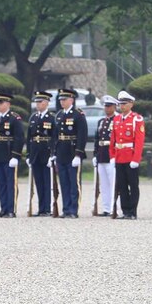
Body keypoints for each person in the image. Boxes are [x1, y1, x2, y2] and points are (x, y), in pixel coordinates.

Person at [51, 88, 87, 218]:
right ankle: (66, 208)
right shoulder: (59, 115)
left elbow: (82, 135)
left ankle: (73, 209)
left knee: (73, 183)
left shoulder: (78, 114)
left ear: (71, 100)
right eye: (60, 99)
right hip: (61, 152)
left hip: (72, 151)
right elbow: (55, 136)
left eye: (64, 99)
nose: (62, 102)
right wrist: (53, 153)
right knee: (64, 183)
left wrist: (78, 154)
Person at [0, 93, 25, 217]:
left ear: (8, 104)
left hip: (9, 154)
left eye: (2, 103)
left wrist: (15, 155)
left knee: (10, 183)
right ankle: (3, 208)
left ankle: (11, 209)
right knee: (1, 183)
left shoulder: (14, 118)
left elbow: (19, 138)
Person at [111, 90, 145, 219]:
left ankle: (132, 210)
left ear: (131, 104)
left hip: (130, 156)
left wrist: (136, 159)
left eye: (125, 103)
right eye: (120, 103)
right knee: (122, 185)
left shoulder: (136, 119)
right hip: (120, 156)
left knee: (133, 185)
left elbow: (139, 141)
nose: (122, 106)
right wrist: (113, 156)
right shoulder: (117, 119)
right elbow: (113, 140)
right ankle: (125, 210)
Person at [27, 91, 56, 215]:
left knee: (47, 181)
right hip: (35, 153)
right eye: (36, 102)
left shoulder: (52, 118)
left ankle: (48, 208)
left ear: (47, 103)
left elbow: (54, 137)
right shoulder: (33, 117)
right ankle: (41, 208)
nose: (38, 104)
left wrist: (53, 154)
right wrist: (28, 154)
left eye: (40, 102)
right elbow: (29, 137)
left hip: (46, 152)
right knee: (38, 182)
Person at [92, 95, 118, 216]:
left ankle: (115, 207)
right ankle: (106, 208)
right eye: (105, 106)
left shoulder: (117, 120)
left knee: (114, 183)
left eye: (109, 106)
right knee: (104, 185)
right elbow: (97, 140)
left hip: (112, 155)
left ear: (114, 106)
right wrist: (95, 155)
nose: (107, 108)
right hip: (101, 154)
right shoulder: (101, 121)